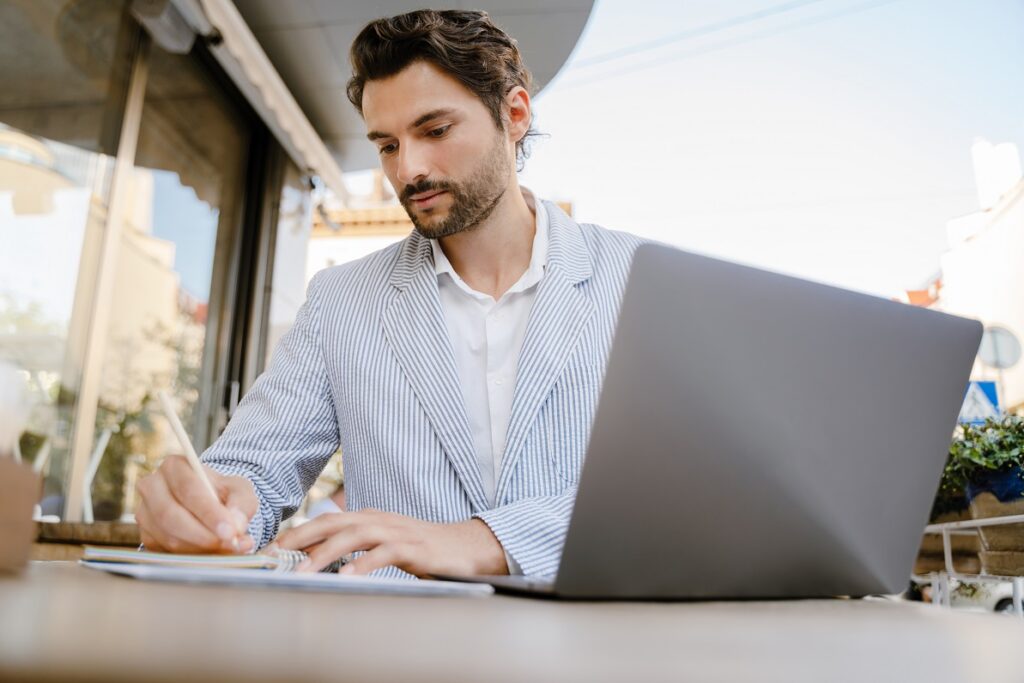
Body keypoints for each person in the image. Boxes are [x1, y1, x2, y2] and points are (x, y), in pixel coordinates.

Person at [135, 9, 644, 579]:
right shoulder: (340, 301)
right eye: (386, 145)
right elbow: (252, 468)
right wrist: (211, 507)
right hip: (392, 654)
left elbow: (681, 489)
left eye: (435, 131)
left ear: (515, 114)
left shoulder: (637, 279)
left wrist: (485, 542)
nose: (409, 170)